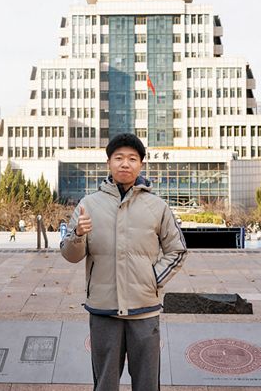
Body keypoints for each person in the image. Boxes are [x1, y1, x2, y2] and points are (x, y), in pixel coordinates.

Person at [61, 133, 187, 391]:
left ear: (141, 164)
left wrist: (153, 279)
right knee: (105, 383)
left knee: (147, 384)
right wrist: (78, 234)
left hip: (145, 309)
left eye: (132, 158)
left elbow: (177, 250)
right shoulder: (88, 205)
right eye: (118, 158)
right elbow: (70, 255)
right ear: (108, 162)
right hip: (103, 310)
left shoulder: (158, 207)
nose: (125, 164)